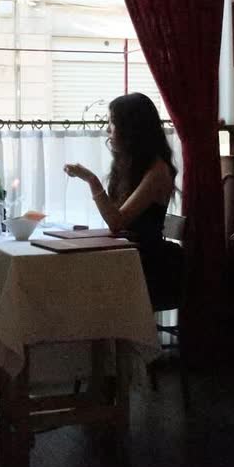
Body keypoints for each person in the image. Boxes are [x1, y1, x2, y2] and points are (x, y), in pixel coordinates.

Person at [64, 92, 181, 307]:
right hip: (128, 255)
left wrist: (91, 180)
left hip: (148, 263)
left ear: (131, 129)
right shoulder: (132, 165)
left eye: (112, 123)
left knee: (79, 285)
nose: (107, 130)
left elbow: (117, 221)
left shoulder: (158, 171)